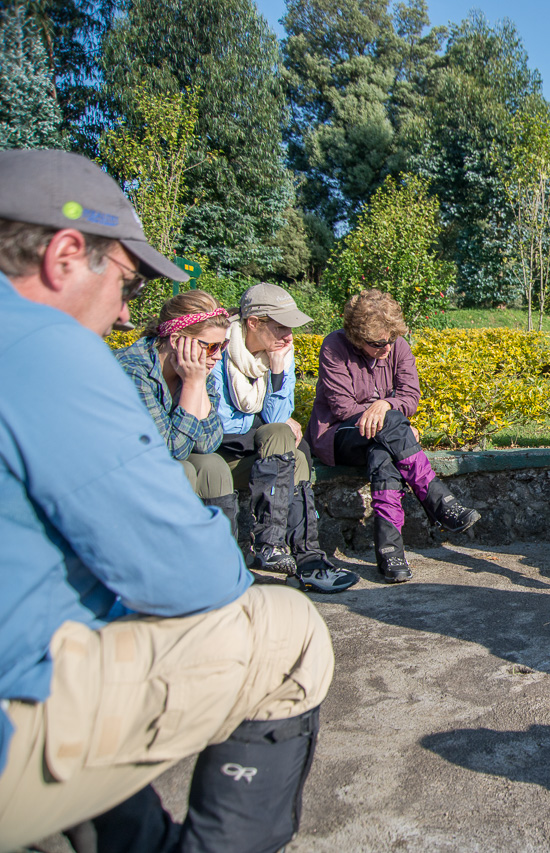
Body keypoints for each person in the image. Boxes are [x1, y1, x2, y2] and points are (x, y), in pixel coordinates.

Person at [0, 148, 335, 851]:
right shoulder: (46, 348)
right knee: (289, 634)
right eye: (125, 280)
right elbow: (199, 577)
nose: (127, 312)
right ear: (64, 254)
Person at [305, 289, 481, 583]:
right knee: (392, 423)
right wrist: (394, 422)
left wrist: (386, 407)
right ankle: (439, 501)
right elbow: (343, 407)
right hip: (339, 434)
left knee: (382, 455)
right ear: (356, 337)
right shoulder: (334, 346)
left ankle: (391, 553)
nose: (386, 348)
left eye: (390, 339)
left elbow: (411, 395)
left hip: (382, 441)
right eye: (377, 344)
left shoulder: (397, 346)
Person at [216, 282, 358, 594]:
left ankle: (286, 551)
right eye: (281, 327)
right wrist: (262, 423)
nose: (289, 337)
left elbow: (277, 415)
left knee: (293, 449)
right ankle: (304, 561)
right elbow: (224, 424)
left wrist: (278, 374)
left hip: (263, 452)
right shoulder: (217, 348)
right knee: (286, 443)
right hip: (218, 454)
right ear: (253, 323)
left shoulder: (279, 354)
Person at [114, 289, 239, 537]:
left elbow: (209, 443)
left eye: (223, 345)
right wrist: (193, 384)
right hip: (116, 469)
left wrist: (197, 382)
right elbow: (173, 451)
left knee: (212, 465)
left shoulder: (200, 368)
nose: (217, 355)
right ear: (177, 341)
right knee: (182, 469)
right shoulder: (132, 371)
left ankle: (219, 558)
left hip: (159, 463)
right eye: (211, 346)